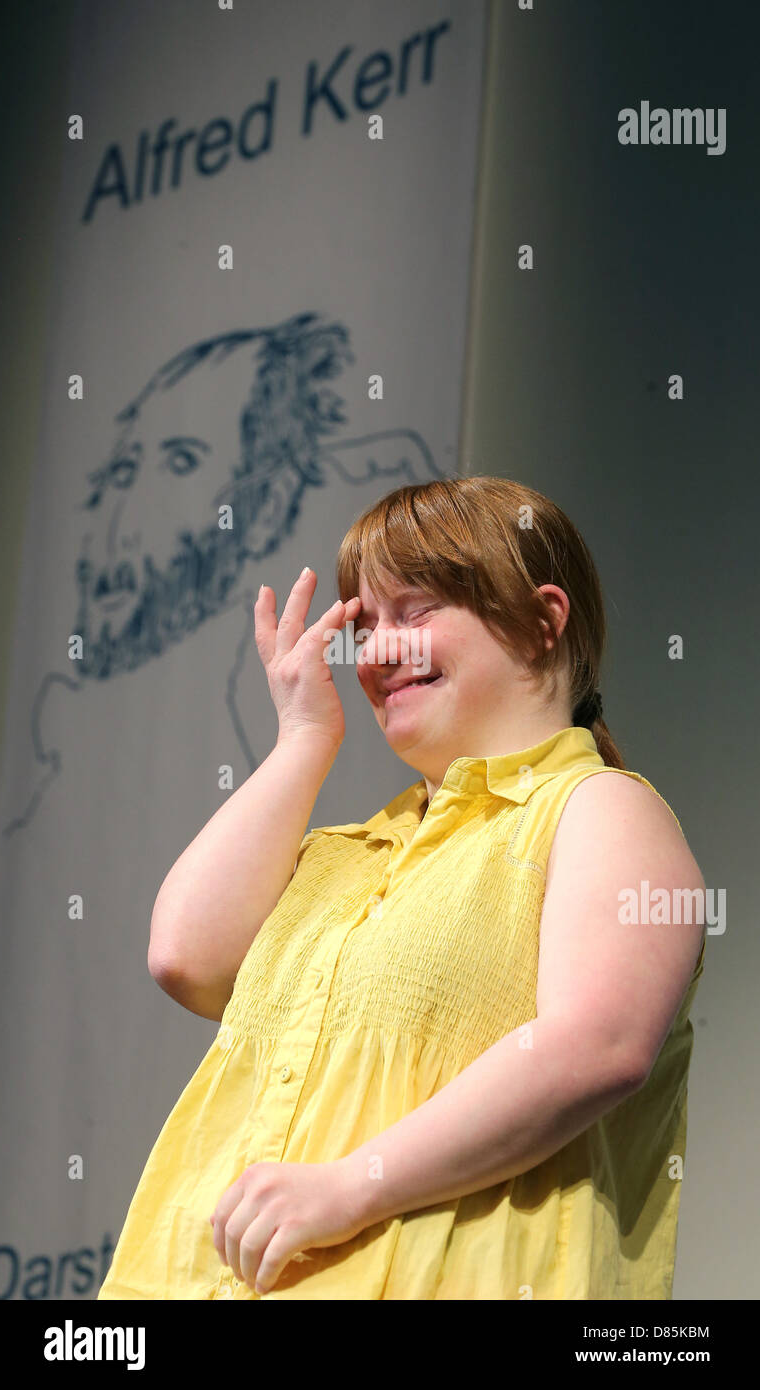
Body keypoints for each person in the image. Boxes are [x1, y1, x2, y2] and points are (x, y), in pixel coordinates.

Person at [97, 474, 706, 1301]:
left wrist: (348, 1187)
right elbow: (183, 958)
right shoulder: (341, 855)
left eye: (415, 611)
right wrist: (303, 737)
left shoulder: (597, 809)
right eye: (364, 624)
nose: (375, 651)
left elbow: (595, 1047)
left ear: (541, 621)